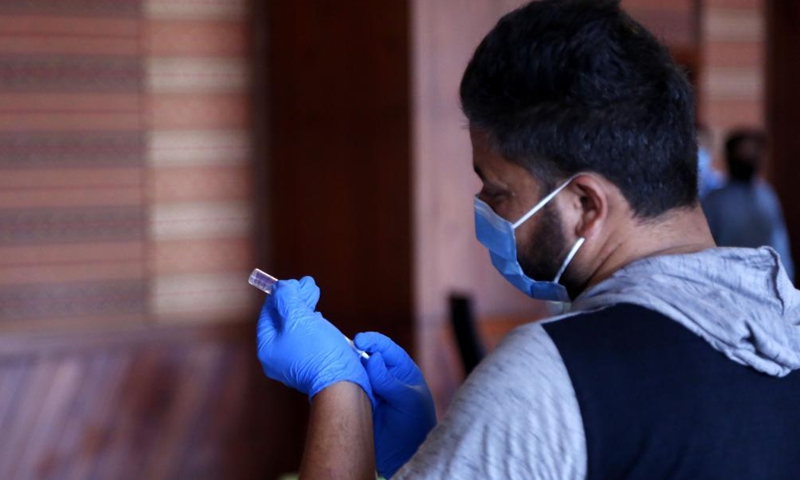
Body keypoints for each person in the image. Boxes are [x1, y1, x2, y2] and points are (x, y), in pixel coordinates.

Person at [255, 1, 800, 479]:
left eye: (497, 190)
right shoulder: (787, 326)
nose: (486, 210)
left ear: (585, 205)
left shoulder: (552, 377)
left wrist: (339, 391)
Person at [702, 129, 795, 282]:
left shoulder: (767, 195)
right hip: (726, 281)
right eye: (743, 153)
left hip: (768, 281)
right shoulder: (715, 201)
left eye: (753, 152)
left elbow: (780, 243)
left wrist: (787, 281)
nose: (749, 157)